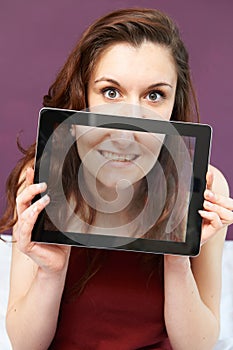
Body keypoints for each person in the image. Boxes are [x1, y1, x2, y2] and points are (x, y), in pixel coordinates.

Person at [1, 7, 233, 350]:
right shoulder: (43, 176)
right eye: (111, 92)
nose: (132, 118)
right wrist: (51, 272)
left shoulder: (203, 187)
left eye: (154, 95)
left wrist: (178, 256)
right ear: (85, 96)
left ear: (173, 103)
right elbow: (25, 344)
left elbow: (196, 346)